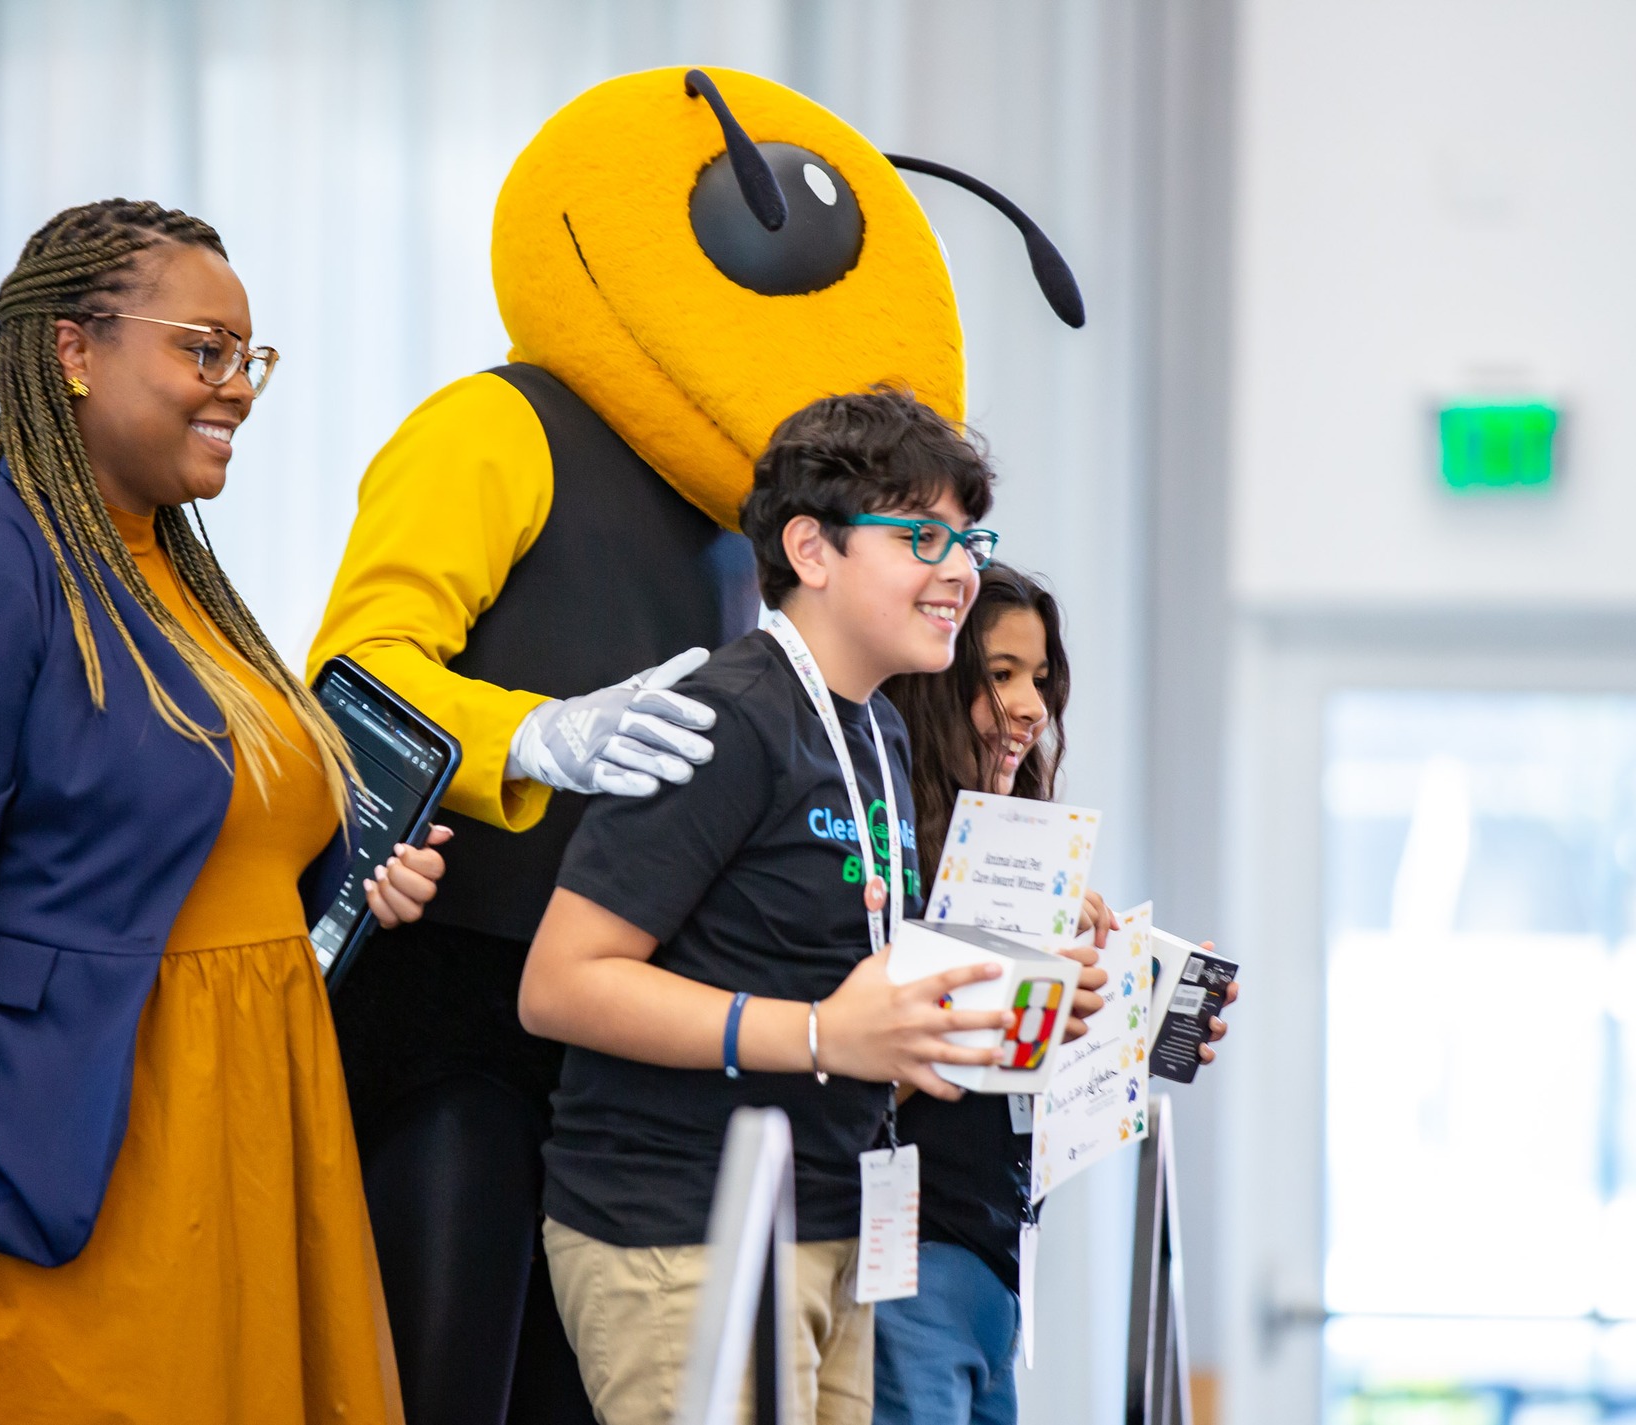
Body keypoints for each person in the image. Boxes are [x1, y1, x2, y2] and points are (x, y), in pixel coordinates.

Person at [305, 65, 1086, 1425]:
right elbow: (356, 678)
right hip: (471, 1008)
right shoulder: (503, 425)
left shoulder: (767, 548)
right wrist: (541, 736)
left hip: (691, 1076)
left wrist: (1021, 979)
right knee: (448, 1377)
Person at [0, 199, 444, 1423]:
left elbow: (199, 853)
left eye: (248, 358)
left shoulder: (184, 582)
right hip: (94, 1178)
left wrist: (349, 880)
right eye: (203, 350)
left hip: (258, 1141)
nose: (237, 387)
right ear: (74, 353)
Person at [517, 388, 1025, 1425]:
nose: (958, 570)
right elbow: (560, 986)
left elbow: (871, 989)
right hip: (683, 1226)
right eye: (920, 535)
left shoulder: (875, 730)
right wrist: (817, 1034)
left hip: (834, 1226)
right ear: (811, 548)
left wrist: (1057, 986)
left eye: (966, 538)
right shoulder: (726, 715)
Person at [873, 564, 1236, 1425]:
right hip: (908, 1259)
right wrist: (1019, 981)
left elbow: (1016, 1079)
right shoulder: (887, 864)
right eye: (1001, 674)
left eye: (1040, 678)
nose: (1032, 706)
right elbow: (862, 1066)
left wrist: (1127, 1024)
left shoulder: (1019, 864)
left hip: (997, 1270)